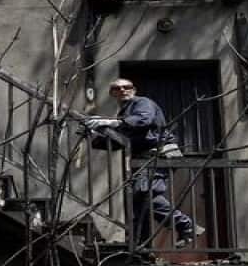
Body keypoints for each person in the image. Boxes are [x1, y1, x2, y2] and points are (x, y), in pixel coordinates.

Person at [85, 78, 203, 255]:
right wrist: (93, 134)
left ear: (134, 90)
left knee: (144, 195)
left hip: (159, 155)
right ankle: (141, 244)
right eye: (117, 88)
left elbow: (143, 120)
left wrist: (109, 122)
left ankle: (185, 225)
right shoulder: (124, 115)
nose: (123, 90)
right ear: (112, 93)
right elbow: (118, 142)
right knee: (139, 201)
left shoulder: (142, 103)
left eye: (127, 87)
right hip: (146, 159)